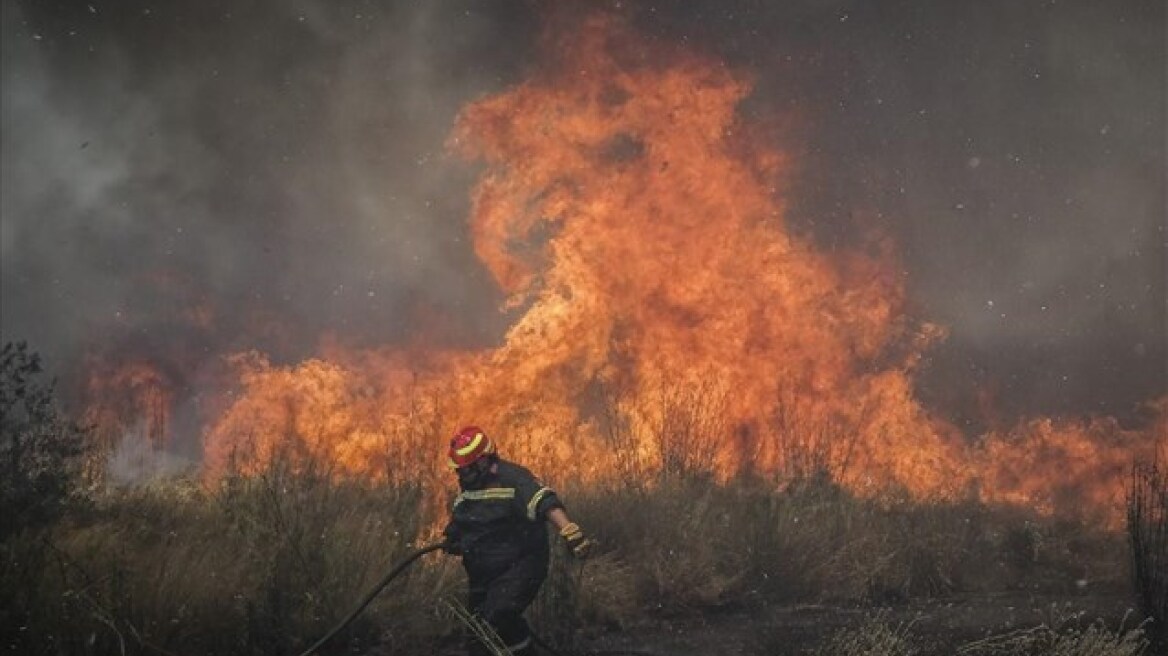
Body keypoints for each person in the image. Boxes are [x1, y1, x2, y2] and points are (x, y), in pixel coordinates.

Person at [442, 425, 592, 655]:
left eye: (467, 469)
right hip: (484, 574)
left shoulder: (512, 478)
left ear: (483, 461)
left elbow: (543, 501)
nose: (461, 474)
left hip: (521, 567)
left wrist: (569, 530)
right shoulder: (468, 488)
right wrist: (453, 537)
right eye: (460, 470)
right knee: (476, 633)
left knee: (499, 615)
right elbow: (464, 519)